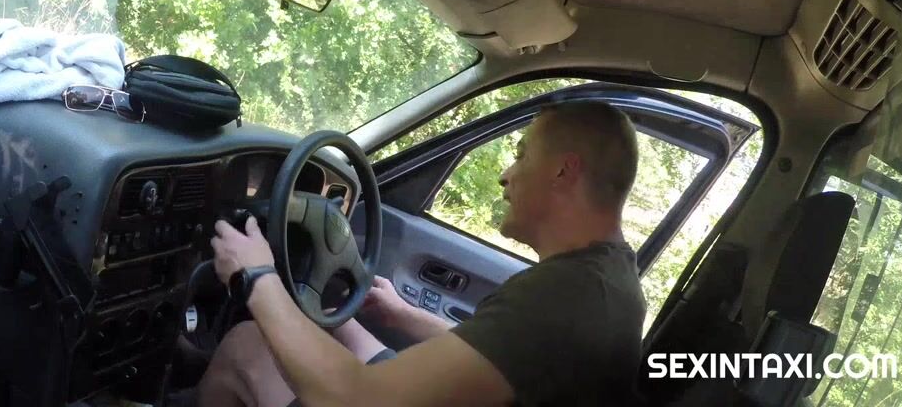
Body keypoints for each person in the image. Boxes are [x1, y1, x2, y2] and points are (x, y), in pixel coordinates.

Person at [197, 101, 648, 406]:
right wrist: (403, 315)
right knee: (335, 320)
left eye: (522, 155)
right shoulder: (607, 278)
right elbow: (508, 357)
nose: (506, 175)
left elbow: (357, 399)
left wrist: (256, 276)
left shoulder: (568, 295)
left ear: (563, 171)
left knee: (245, 344)